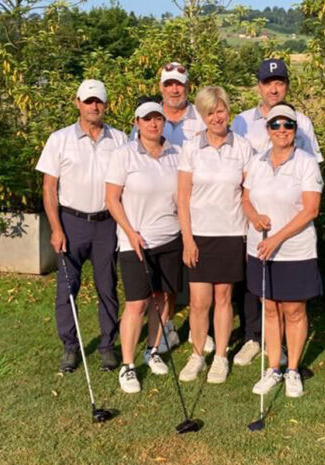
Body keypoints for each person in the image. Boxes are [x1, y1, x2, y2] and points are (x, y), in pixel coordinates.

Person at [231, 58, 323, 367]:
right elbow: (242, 180)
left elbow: (309, 187)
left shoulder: (303, 124)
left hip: (291, 226)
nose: (274, 88)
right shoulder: (242, 121)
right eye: (268, 83)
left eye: (279, 82)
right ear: (259, 86)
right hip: (256, 225)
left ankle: (287, 355)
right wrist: (252, 215)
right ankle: (255, 341)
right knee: (261, 296)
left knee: (291, 305)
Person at [36, 79, 127, 373]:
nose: (94, 106)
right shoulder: (59, 139)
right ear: (78, 103)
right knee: (67, 288)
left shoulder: (120, 139)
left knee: (107, 288)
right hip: (71, 222)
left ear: (106, 105)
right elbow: (49, 188)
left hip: (106, 223)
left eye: (98, 101)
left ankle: (107, 346)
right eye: (88, 101)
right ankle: (70, 347)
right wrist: (56, 228)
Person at [130, 62, 212, 354]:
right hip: (158, 213)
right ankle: (166, 328)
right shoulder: (149, 118)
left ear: (187, 86)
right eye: (169, 84)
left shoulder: (201, 118)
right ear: (161, 87)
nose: (174, 89)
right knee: (163, 281)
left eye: (179, 83)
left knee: (195, 276)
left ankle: (201, 328)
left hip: (197, 208)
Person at [242, 103, 323, 398]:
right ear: (268, 130)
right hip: (260, 248)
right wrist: (254, 217)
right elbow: (246, 199)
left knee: (294, 310)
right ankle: (274, 367)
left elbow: (311, 210)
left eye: (287, 125)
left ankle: (293, 370)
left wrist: (276, 238)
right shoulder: (257, 162)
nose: (281, 130)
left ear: (295, 130)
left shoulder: (306, 163)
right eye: (275, 124)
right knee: (270, 308)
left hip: (295, 250)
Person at [105, 100, 183, 394]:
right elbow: (111, 199)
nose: (153, 123)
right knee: (137, 303)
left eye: (158, 118)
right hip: (135, 241)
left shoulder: (177, 154)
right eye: (146, 118)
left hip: (170, 237)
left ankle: (152, 350)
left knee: (161, 298)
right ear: (136, 123)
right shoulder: (124, 155)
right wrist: (130, 232)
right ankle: (127, 365)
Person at [176, 86, 253, 384]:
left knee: (224, 298)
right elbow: (183, 198)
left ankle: (220, 357)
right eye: (210, 113)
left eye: (220, 111)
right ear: (202, 115)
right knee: (198, 302)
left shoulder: (243, 147)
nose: (216, 117)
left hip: (232, 233)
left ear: (228, 111)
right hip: (200, 235)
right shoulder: (191, 148)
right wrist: (187, 239)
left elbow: (248, 194)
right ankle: (197, 355)